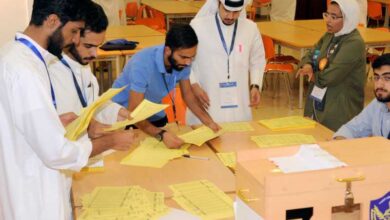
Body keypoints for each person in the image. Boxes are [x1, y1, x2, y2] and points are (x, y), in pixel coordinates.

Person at [0, 1, 133, 219]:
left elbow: (21, 124)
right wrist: (109, 142)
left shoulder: (14, 57)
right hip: (34, 198)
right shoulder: (25, 71)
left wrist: (54, 121)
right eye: (73, 31)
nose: (74, 40)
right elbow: (57, 153)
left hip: (27, 182)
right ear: (52, 21)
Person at [112, 24, 220, 149]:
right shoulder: (142, 63)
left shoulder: (183, 62)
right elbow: (134, 111)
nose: (188, 62)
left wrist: (209, 122)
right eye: (184, 57)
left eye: (191, 57)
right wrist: (161, 135)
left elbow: (188, 95)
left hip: (152, 111)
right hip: (124, 116)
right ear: (168, 50)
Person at [186, 0, 266, 125]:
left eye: (235, 12)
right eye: (227, 10)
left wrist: (255, 85)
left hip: (239, 103)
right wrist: (193, 84)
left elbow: (257, 59)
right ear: (218, 4)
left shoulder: (250, 28)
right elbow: (184, 60)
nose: (230, 16)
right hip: (206, 99)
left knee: (239, 140)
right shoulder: (198, 26)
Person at [49, 2, 129, 126]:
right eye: (88, 46)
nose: (94, 54)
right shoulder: (50, 69)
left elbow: (91, 104)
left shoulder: (82, 63)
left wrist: (116, 111)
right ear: (72, 35)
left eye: (97, 46)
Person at [296, 0, 366, 131]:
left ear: (348, 18)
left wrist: (313, 76)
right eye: (326, 15)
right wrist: (307, 65)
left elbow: (331, 76)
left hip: (340, 109)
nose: (328, 20)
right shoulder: (329, 35)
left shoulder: (354, 43)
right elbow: (311, 53)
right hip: (319, 103)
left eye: (334, 17)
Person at [333, 54, 390, 139]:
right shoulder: (378, 104)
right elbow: (351, 128)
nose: (379, 84)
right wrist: (340, 140)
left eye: (387, 78)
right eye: (376, 77)